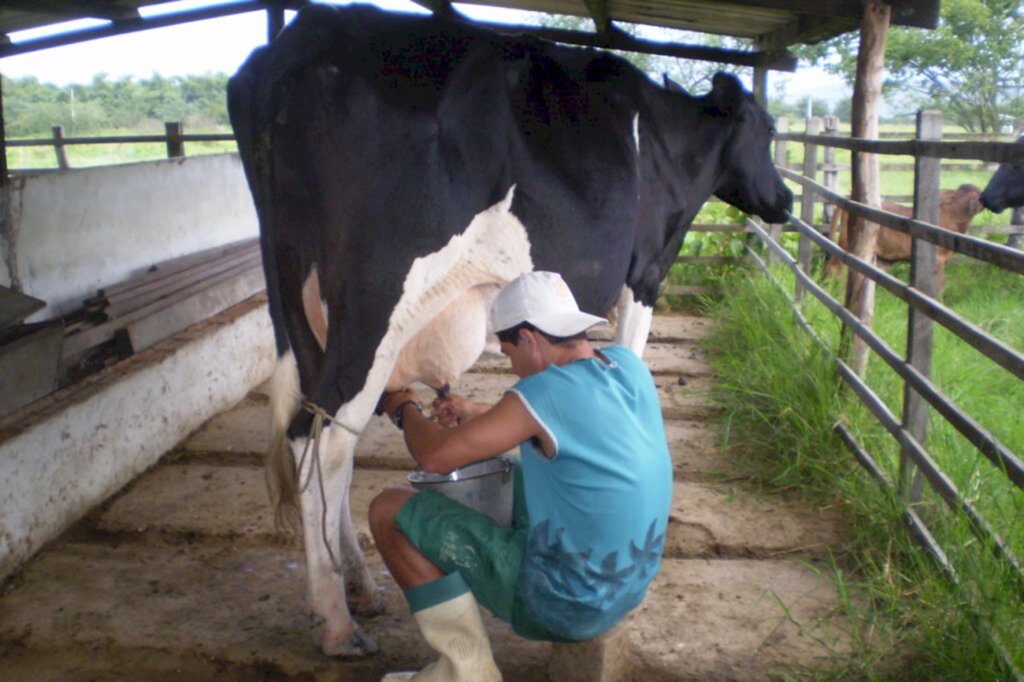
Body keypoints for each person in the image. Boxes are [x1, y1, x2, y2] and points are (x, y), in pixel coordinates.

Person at [369, 270, 673, 681]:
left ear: (529, 338)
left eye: (509, 353)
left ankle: (468, 673)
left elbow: (434, 457)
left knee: (388, 510)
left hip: (563, 603)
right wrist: (478, 415)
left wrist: (403, 405)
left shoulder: (542, 392)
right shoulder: (625, 364)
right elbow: (567, 419)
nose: (513, 366)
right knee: (513, 472)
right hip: (627, 586)